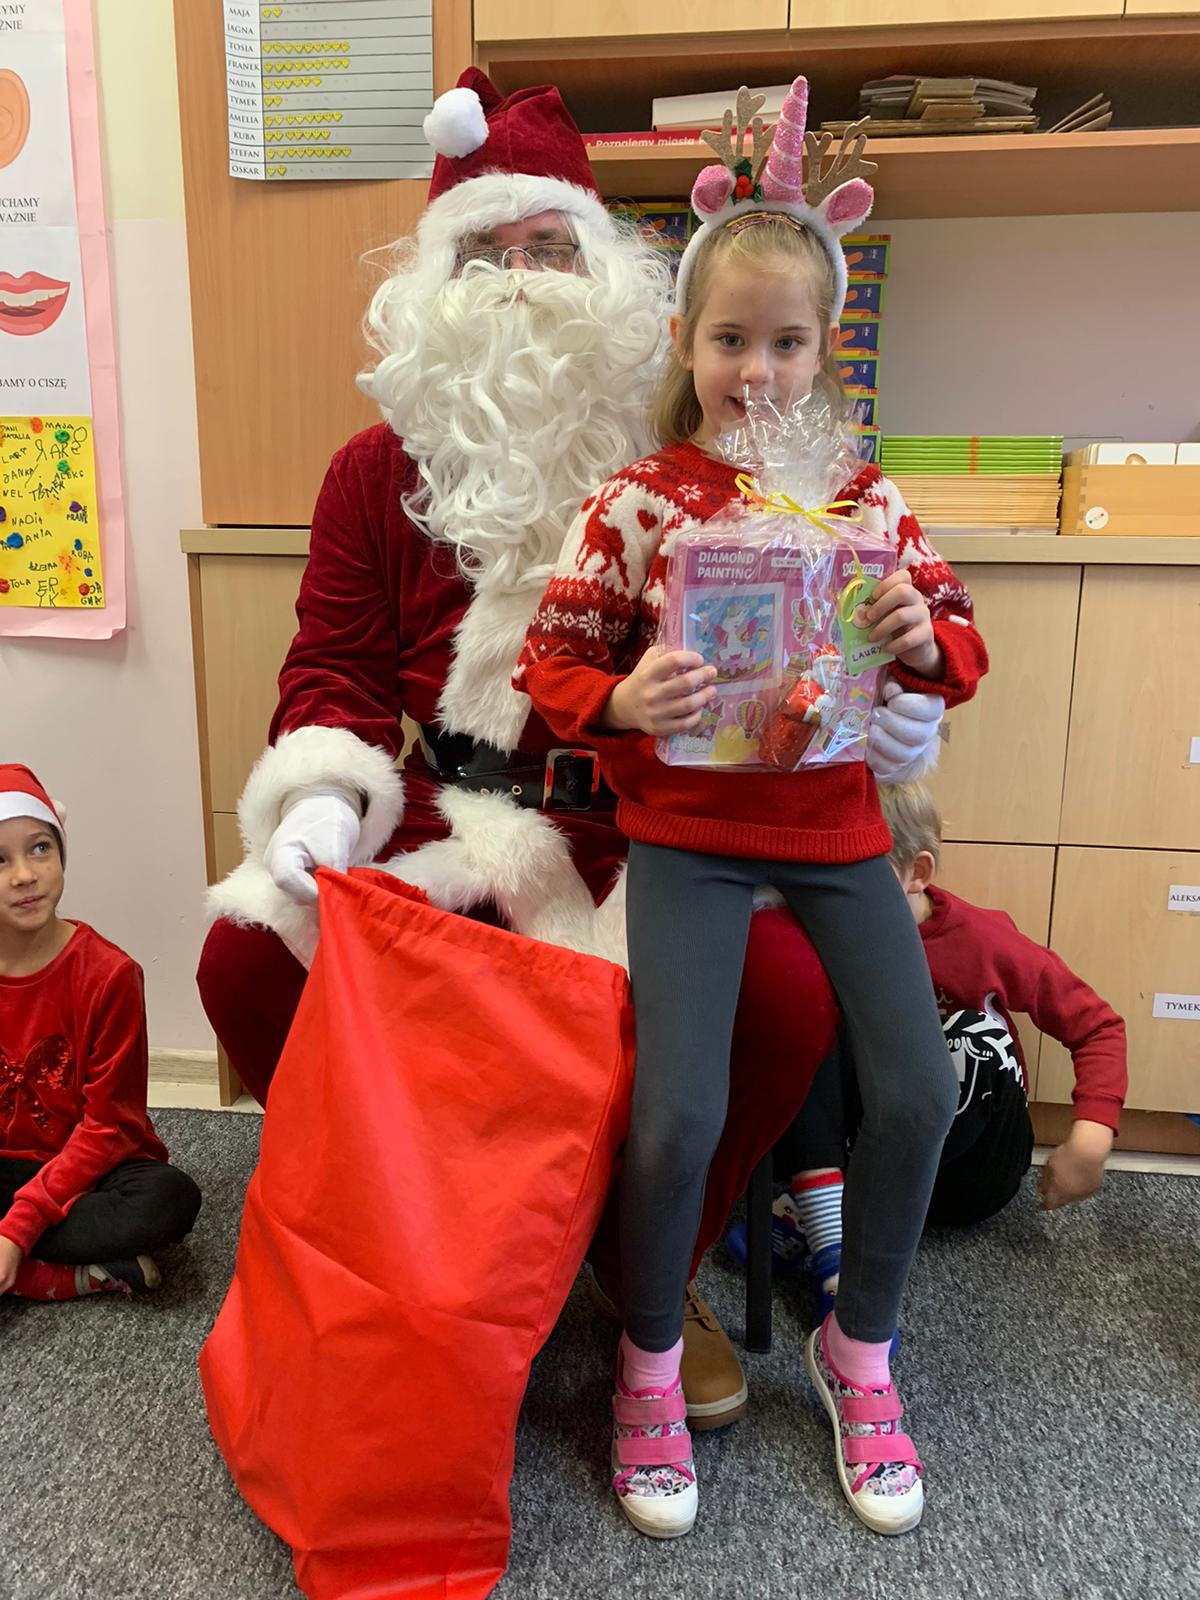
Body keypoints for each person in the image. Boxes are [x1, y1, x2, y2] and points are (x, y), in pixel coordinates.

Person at [195, 70, 944, 1434]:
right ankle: (405, 1244)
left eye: (552, 248)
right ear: (435, 287)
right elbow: (335, 667)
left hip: (656, 818)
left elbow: (817, 634)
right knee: (245, 955)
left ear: (610, 279)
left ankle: (634, 1278)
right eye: (489, 253)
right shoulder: (373, 474)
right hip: (449, 811)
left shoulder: (693, 457)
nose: (523, 282)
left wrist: (891, 703)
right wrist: (320, 805)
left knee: (783, 995)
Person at [515, 76, 988, 1539]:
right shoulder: (642, 498)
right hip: (688, 836)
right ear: (687, 342)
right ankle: (650, 1358)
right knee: (681, 1108)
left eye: (787, 342)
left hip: (837, 826)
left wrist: (919, 633)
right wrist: (622, 699)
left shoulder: (864, 498)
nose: (758, 370)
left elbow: (962, 641)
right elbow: (550, 660)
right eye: (731, 340)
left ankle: (862, 1351)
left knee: (916, 1091)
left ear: (824, 346)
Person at [760, 779, 1127, 1317]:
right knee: (805, 1009)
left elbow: (1098, 1026)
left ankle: (822, 1211)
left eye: (852, 880)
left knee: (969, 1036)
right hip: (865, 1150)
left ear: (917, 873)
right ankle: (829, 1225)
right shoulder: (820, 935)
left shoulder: (981, 940)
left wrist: (1090, 1141)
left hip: (968, 1169)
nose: (830, 901)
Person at [0, 765, 202, 1302]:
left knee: (167, 1200)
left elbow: (111, 1126)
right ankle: (60, 1275)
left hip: (96, 1168)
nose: (24, 875)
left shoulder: (110, 974)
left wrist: (18, 1227)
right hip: (8, 1169)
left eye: (39, 848)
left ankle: (25, 1264)